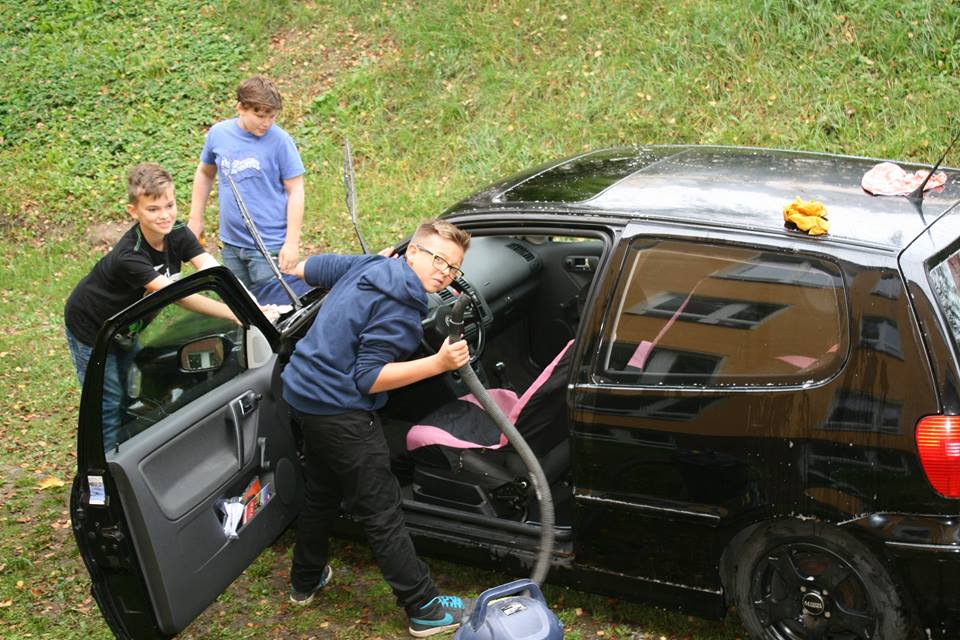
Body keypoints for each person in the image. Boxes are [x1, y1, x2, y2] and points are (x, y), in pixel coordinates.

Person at [281, 219, 473, 637]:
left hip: (301, 394)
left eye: (453, 267)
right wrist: (439, 364)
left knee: (322, 490)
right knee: (381, 509)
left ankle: (305, 579)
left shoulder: (372, 264)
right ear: (413, 252)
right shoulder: (402, 307)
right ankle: (423, 607)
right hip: (339, 411)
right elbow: (369, 378)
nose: (444, 272)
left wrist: (293, 266)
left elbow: (321, 268)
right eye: (438, 258)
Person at [64, 163, 238, 451]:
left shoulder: (178, 233)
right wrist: (232, 313)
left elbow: (212, 270)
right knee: (106, 403)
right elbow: (178, 295)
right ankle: (105, 470)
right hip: (92, 329)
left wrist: (248, 304)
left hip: (125, 327)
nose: (165, 215)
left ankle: (128, 446)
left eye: (169, 205)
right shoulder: (129, 256)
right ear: (134, 212)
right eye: (153, 209)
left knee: (133, 387)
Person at [188, 75, 305, 291]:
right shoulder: (219, 134)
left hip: (268, 246)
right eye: (259, 115)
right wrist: (196, 219)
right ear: (240, 108)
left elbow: (296, 190)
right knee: (242, 307)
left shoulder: (281, 142)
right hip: (231, 245)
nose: (266, 123)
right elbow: (205, 173)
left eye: (272, 116)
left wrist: (291, 243)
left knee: (276, 308)